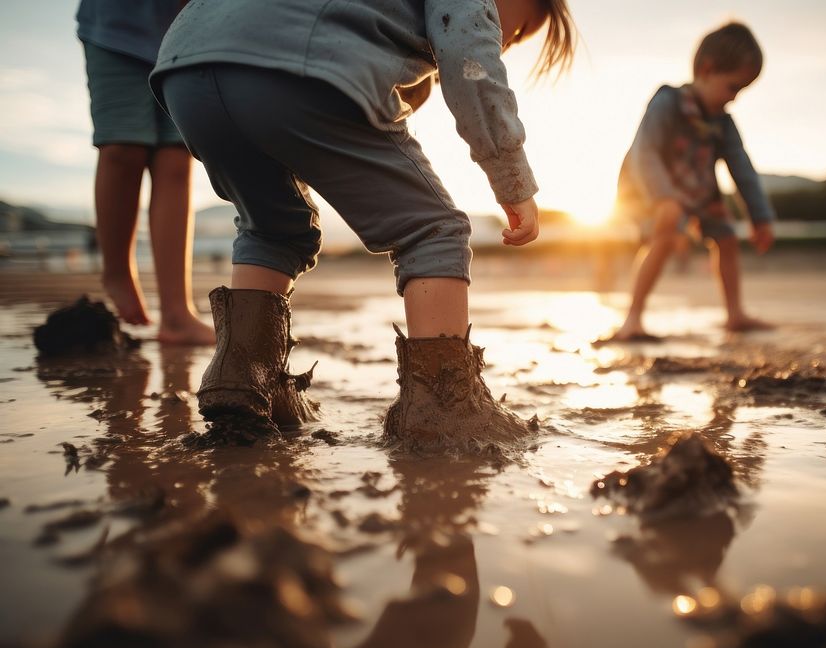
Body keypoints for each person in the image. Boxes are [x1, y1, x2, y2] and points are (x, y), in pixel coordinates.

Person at [149, 0, 576, 446]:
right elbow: (470, 59)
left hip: (186, 66)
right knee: (433, 230)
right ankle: (446, 407)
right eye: (520, 29)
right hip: (293, 63)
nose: (506, 42)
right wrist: (512, 177)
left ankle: (245, 376)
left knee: (271, 228)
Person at [606, 21, 776, 341]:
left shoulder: (723, 123)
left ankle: (735, 314)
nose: (735, 98)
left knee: (726, 238)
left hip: (700, 190)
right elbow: (646, 153)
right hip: (655, 189)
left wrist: (760, 216)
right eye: (733, 87)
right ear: (707, 70)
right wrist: (663, 198)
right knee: (664, 239)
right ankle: (633, 318)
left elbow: (742, 169)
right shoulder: (668, 102)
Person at [77, 0, 215, 345]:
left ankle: (177, 313)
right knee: (123, 149)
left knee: (176, 161)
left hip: (187, 35)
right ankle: (118, 272)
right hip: (116, 29)